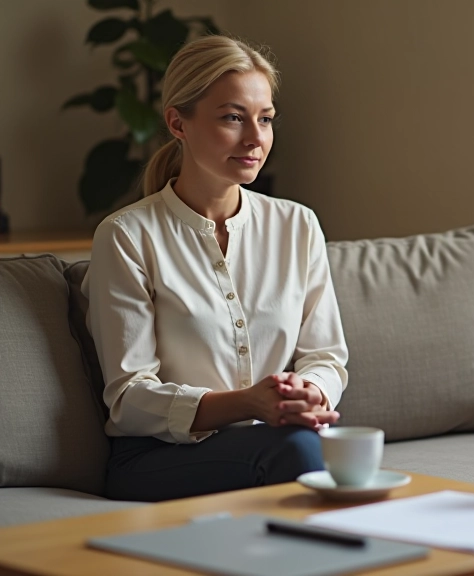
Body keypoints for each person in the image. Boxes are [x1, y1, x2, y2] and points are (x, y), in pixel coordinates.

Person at [83, 36, 349, 502]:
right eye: (233, 117)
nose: (255, 138)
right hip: (155, 458)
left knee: (324, 449)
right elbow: (129, 398)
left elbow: (325, 356)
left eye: (265, 119)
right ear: (177, 122)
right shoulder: (127, 235)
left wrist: (308, 392)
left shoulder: (297, 224)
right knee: (299, 451)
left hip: (273, 442)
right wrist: (246, 403)